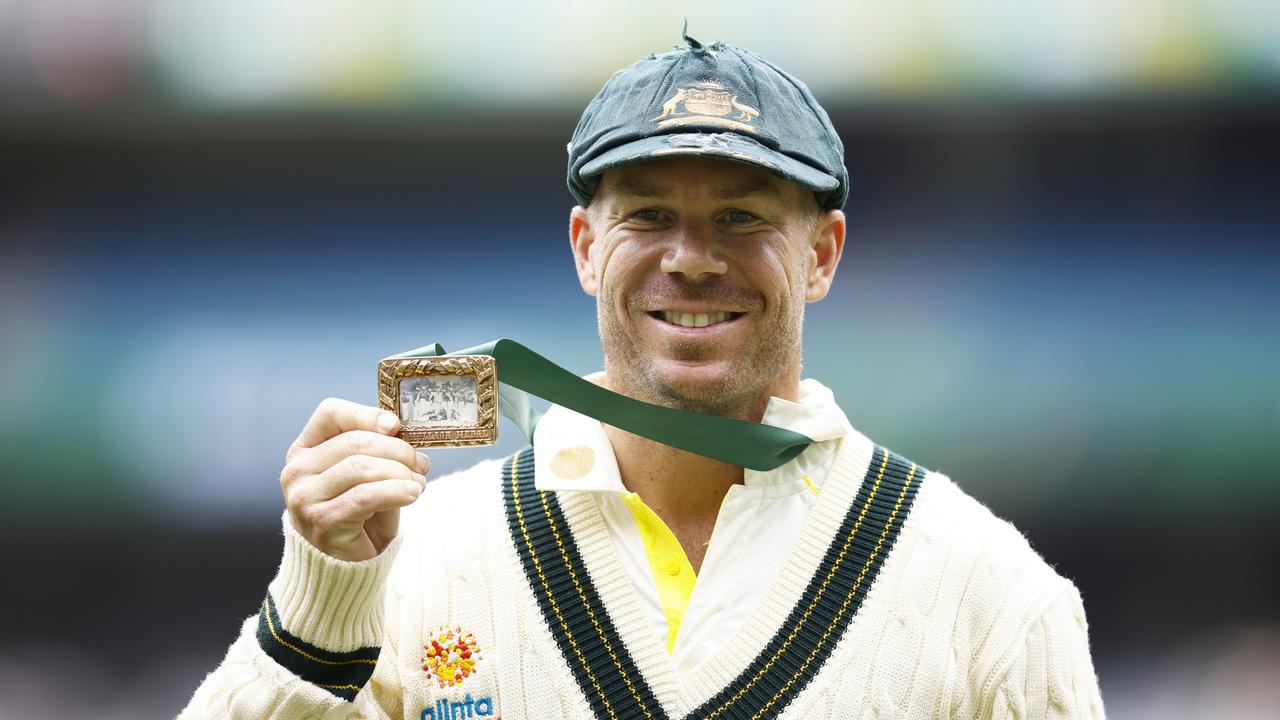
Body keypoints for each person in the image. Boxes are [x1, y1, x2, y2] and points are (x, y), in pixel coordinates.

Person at [181, 35, 1104, 720]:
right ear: (588, 247)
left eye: (741, 217)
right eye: (650, 214)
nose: (691, 259)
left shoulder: (991, 597)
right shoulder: (421, 566)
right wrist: (321, 602)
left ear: (822, 254)